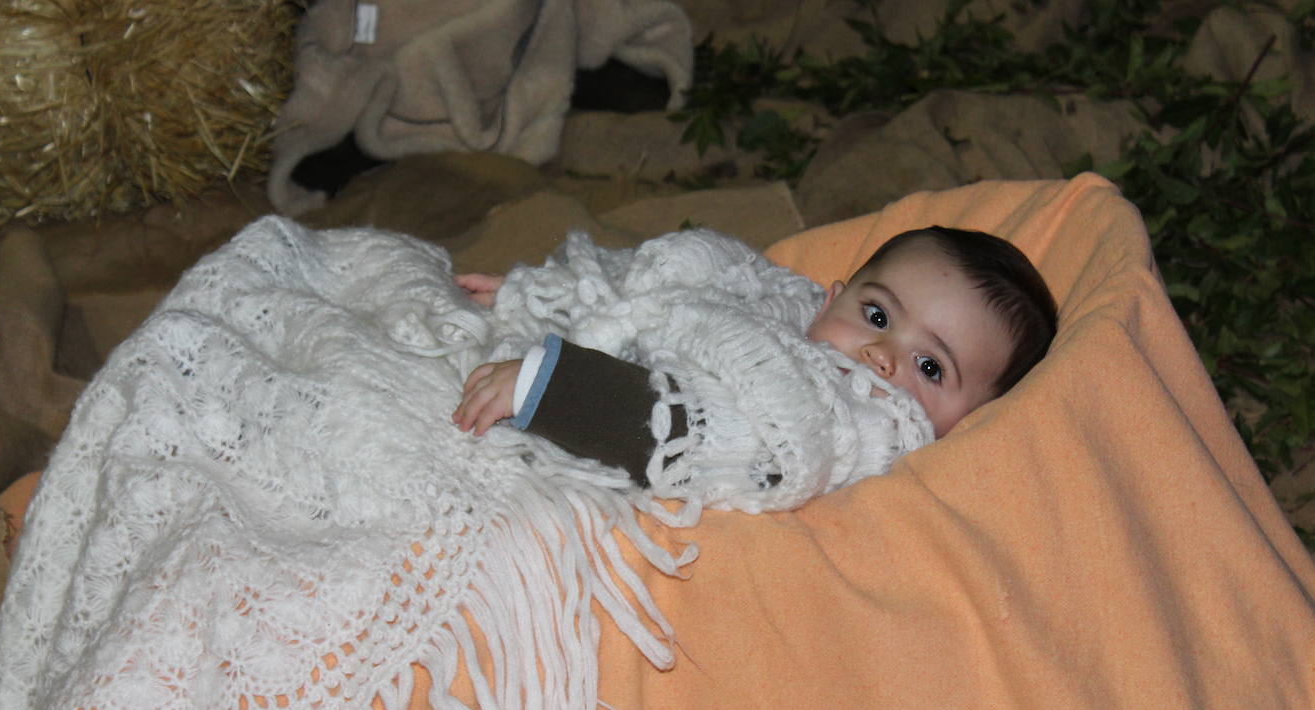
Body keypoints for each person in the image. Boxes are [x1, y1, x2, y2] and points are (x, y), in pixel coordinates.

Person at [452, 225, 1057, 485]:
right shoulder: (793, 305)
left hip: (592, 414)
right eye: (878, 316)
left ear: (972, 422)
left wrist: (558, 391)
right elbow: (673, 287)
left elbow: (715, 439)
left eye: (931, 367)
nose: (881, 355)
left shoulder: (865, 429)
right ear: (833, 297)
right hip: (586, 353)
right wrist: (547, 296)